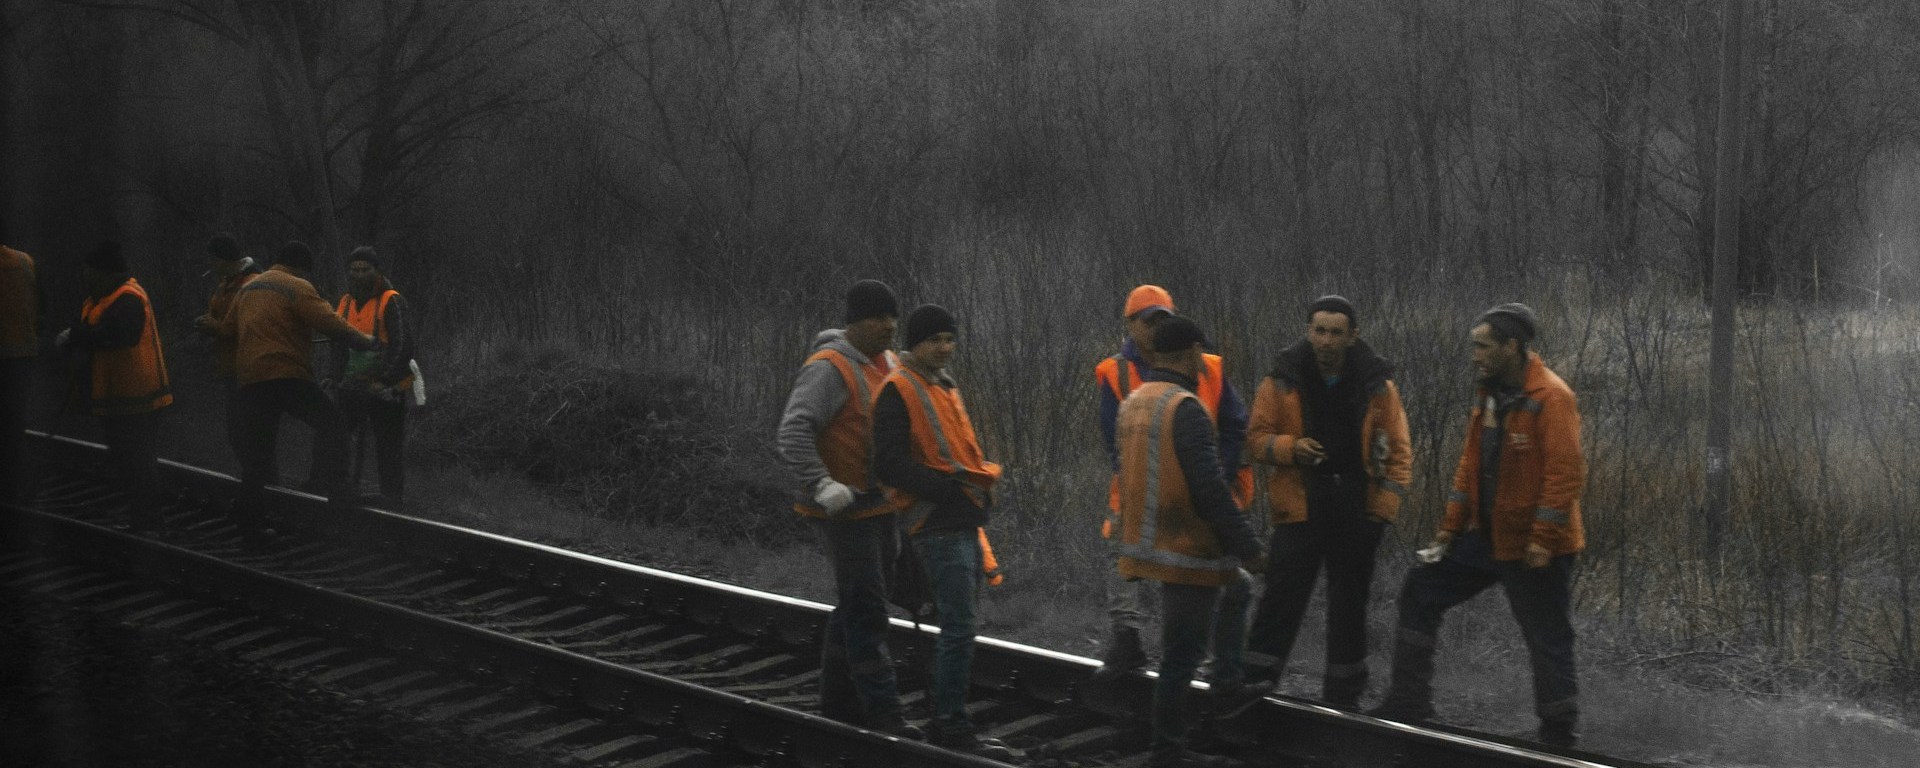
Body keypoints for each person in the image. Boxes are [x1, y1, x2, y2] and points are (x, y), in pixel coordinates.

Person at [1370, 303, 1587, 748]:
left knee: (1546, 635)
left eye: (1484, 346)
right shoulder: (1489, 394)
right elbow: (1470, 465)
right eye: (1475, 346)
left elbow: (1565, 475)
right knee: (1422, 589)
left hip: (1535, 545)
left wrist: (1543, 539)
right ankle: (1409, 701)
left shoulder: (1552, 397)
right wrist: (1450, 529)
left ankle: (1558, 735)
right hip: (1488, 537)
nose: (1475, 355)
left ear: (1512, 346)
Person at [1114, 316, 1271, 768]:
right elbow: (1211, 490)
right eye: (1202, 353)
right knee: (1181, 655)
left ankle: (1227, 684)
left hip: (1148, 540)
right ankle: (1168, 749)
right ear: (1192, 353)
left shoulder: (1135, 402)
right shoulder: (1185, 408)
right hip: (1185, 546)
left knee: (1238, 588)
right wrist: (1249, 547)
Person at [1243, 295, 1412, 708]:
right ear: (1308, 331)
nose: (1326, 341)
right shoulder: (1282, 379)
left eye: (1336, 333)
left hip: (1355, 504)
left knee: (1349, 604)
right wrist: (1292, 448)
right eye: (1319, 331)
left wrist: (1381, 515)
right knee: (1281, 596)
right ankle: (1254, 685)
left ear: (1353, 336)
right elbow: (1256, 440)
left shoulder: (1376, 385)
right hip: (1301, 502)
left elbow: (1400, 452)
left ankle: (1343, 698)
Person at [774, 279, 920, 739]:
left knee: (862, 603)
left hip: (882, 506)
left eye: (892, 316)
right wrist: (821, 483)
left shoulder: (890, 363)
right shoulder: (829, 368)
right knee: (868, 609)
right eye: (877, 317)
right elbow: (793, 430)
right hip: (843, 511)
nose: (889, 325)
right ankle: (883, 713)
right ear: (854, 322)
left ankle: (837, 703)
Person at [873, 304, 1014, 761]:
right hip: (936, 521)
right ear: (915, 343)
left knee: (960, 623)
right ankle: (950, 723)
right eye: (935, 339)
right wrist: (945, 492)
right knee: (959, 624)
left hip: (960, 517)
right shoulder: (899, 389)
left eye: (950, 339)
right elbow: (888, 463)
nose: (945, 347)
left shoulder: (943, 386)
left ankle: (948, 718)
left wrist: (969, 495)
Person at [1092, 284, 1252, 681]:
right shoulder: (1115, 372)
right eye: (1148, 321)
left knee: (1219, 569)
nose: (1155, 329)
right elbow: (1114, 440)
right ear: (1130, 325)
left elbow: (1236, 425)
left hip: (1202, 481)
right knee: (1119, 548)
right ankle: (1127, 638)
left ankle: (1215, 659)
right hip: (1138, 483)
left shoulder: (1209, 366)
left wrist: (1221, 473)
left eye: (1163, 320)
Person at [217, 240, 376, 542]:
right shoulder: (297, 286)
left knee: (257, 457)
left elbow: (227, 329)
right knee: (333, 425)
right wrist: (365, 342)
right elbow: (330, 323)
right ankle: (340, 499)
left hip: (250, 380)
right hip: (287, 376)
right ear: (301, 268)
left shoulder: (248, 288)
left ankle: (249, 529)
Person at [56, 241, 173, 530]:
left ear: (103, 271)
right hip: (118, 398)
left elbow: (120, 335)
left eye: (88, 270)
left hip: (138, 398)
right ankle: (142, 519)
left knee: (136, 461)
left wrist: (75, 336)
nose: (84, 275)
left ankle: (147, 521)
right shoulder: (102, 299)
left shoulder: (128, 297)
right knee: (128, 460)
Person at [328, 246, 415, 507]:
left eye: (365, 269)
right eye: (354, 270)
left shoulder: (392, 300)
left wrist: (384, 381)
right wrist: (334, 376)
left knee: (388, 444)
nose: (359, 275)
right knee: (337, 436)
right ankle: (339, 490)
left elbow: (403, 347)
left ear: (377, 271)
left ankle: (392, 499)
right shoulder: (345, 301)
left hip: (386, 386)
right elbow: (338, 344)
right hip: (352, 384)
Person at [192, 232, 261, 465]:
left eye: (212, 259)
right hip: (229, 366)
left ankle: (262, 477)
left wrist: (216, 328)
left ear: (222, 259)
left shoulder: (250, 284)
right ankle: (254, 475)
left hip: (247, 369)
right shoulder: (226, 283)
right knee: (236, 432)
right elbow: (221, 314)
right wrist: (207, 322)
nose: (210, 264)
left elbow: (250, 327)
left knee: (247, 432)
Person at [0, 220, 41, 503]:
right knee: (14, 424)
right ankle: (21, 487)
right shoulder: (25, 261)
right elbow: (39, 303)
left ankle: (11, 488)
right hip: (23, 355)